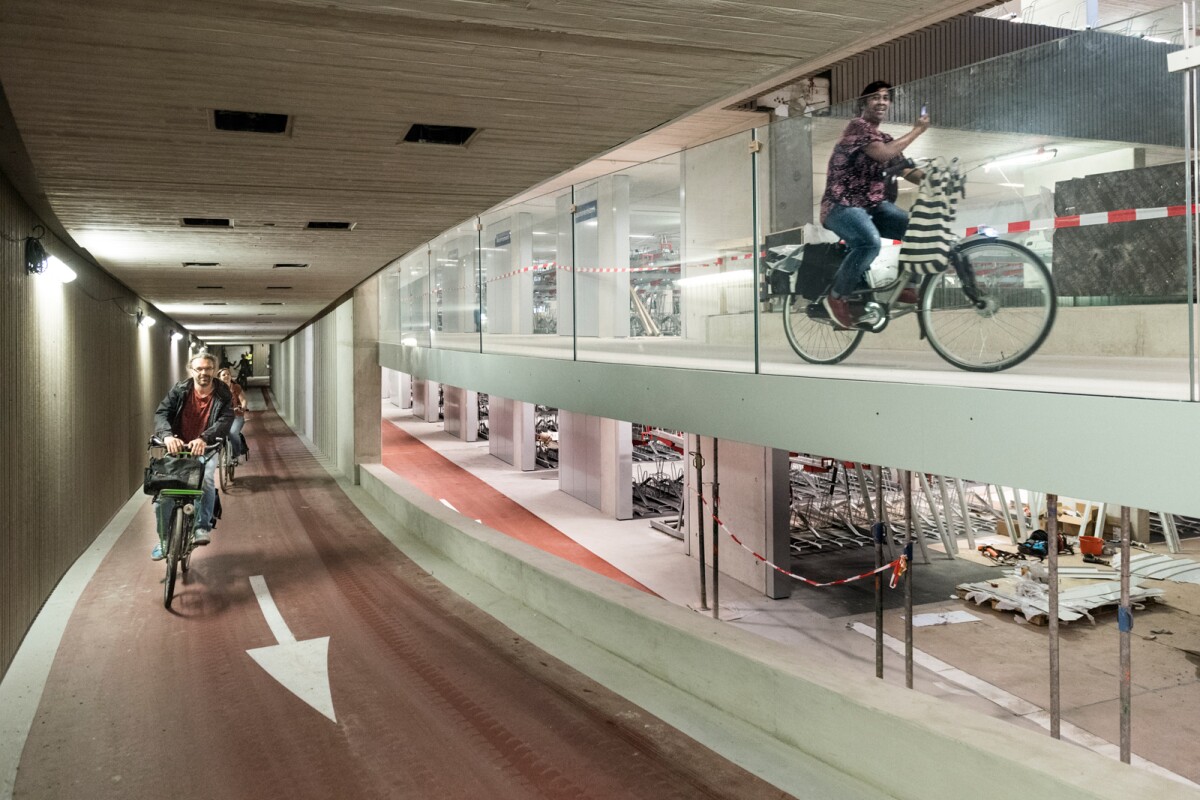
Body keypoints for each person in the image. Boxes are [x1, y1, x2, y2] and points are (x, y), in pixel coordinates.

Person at [820, 80, 929, 329]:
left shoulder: (885, 138)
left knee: (918, 230)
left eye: (886, 98)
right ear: (863, 103)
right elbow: (882, 154)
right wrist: (917, 130)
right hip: (841, 205)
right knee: (869, 242)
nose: (882, 102)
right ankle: (837, 296)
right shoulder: (857, 128)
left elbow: (907, 171)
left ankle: (905, 287)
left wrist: (936, 181)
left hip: (872, 205)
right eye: (875, 97)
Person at [149, 351, 234, 559]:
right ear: (192, 370)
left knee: (204, 479)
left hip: (205, 448)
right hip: (177, 447)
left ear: (214, 370)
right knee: (164, 493)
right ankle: (164, 541)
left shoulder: (223, 394)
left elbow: (225, 419)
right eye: (200, 368)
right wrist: (168, 436)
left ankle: (200, 527)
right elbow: (162, 413)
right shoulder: (179, 390)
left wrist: (204, 438)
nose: (204, 373)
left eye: (208, 368)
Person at [218, 367, 249, 462]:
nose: (226, 376)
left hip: (236, 415)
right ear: (219, 378)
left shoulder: (236, 387)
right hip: (222, 417)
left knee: (232, 432)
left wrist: (242, 407)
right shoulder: (217, 389)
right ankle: (220, 454)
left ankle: (237, 454)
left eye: (228, 374)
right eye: (224, 375)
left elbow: (243, 400)